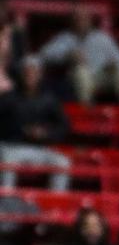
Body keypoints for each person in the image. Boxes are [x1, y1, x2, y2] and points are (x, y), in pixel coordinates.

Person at [39, 7, 119, 106]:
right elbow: (44, 55)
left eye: (84, 18)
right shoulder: (65, 38)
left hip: (101, 76)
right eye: (77, 19)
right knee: (82, 73)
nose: (81, 22)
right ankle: (86, 112)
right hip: (76, 77)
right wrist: (67, 55)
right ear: (72, 22)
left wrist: (113, 63)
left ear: (90, 21)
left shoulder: (102, 38)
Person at [0, 57, 71, 192]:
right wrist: (19, 131)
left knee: (62, 162)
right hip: (11, 146)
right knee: (8, 160)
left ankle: (55, 203)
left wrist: (45, 133)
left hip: (39, 148)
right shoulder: (8, 98)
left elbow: (64, 127)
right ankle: (5, 202)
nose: (30, 75)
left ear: (40, 74)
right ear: (21, 74)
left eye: (34, 72)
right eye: (27, 72)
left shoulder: (49, 99)